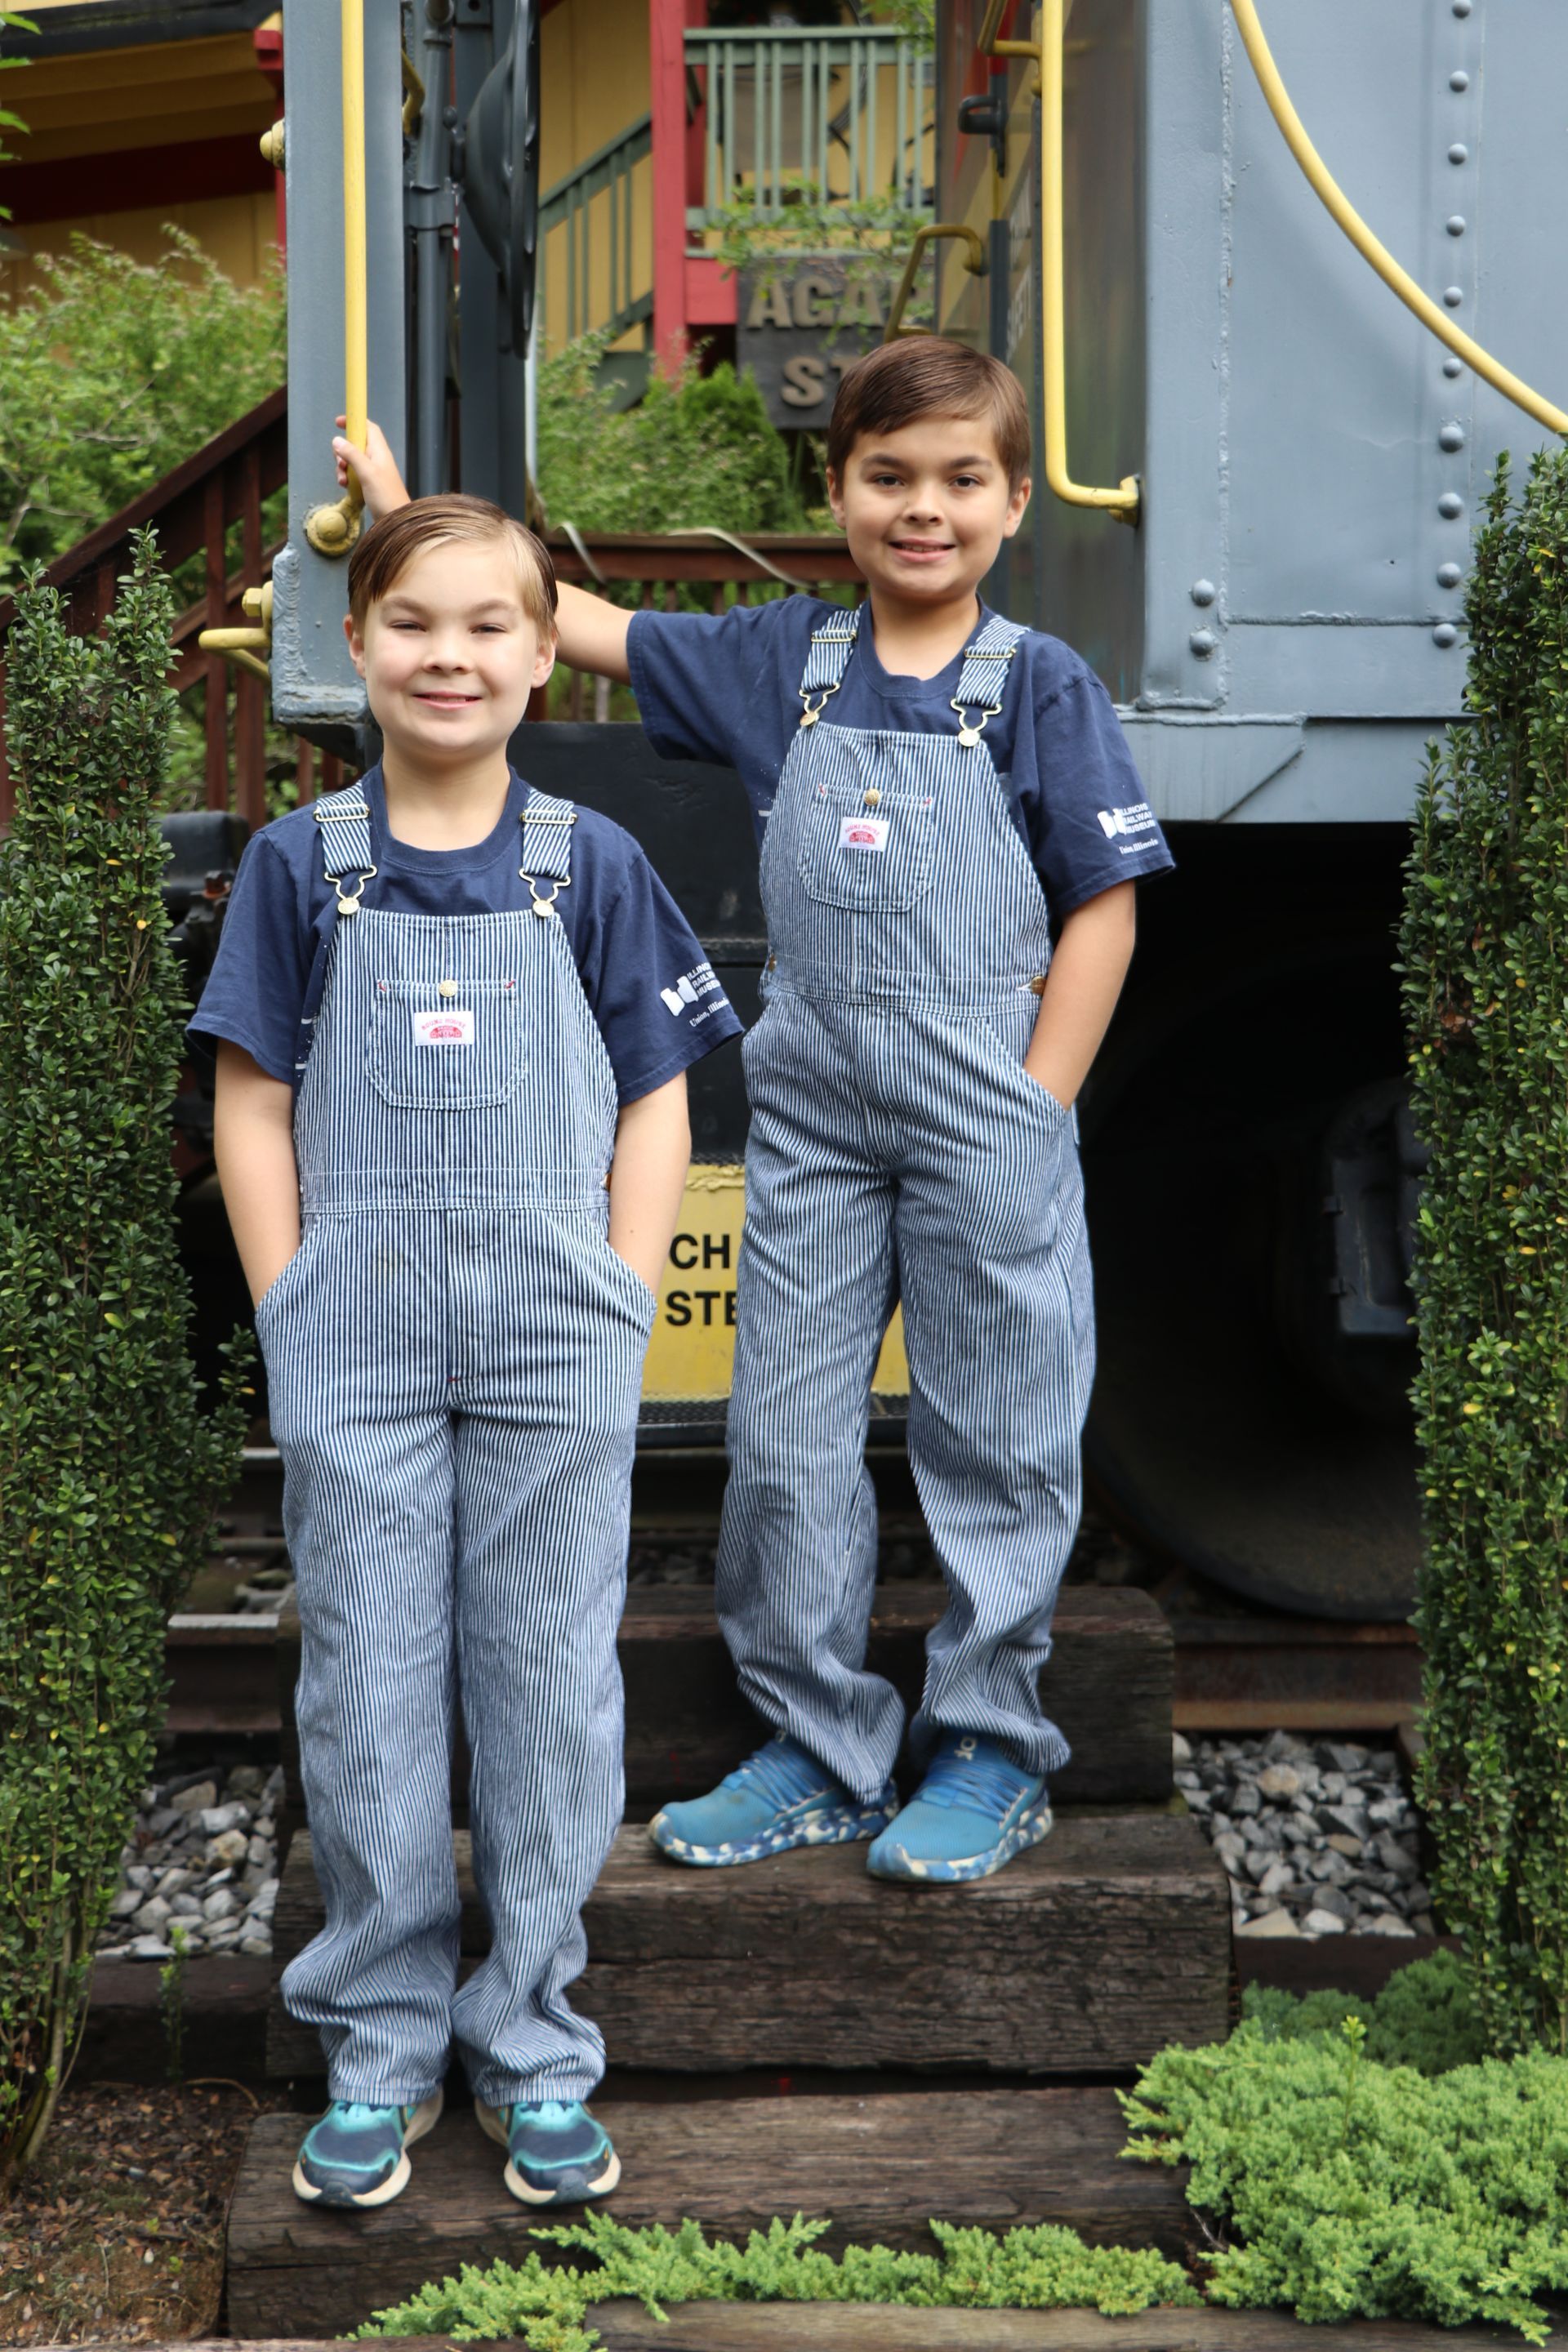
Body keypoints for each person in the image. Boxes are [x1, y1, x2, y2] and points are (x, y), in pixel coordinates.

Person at [333, 332, 1172, 1892]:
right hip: (813, 1112)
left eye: (961, 482)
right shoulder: (775, 659)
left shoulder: (1037, 685)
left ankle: (992, 1745)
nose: (924, 510)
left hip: (989, 1102)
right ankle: (821, 1744)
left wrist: (1038, 1103)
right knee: (785, 1433)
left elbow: (1104, 908)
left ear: (1009, 509)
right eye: (888, 478)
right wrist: (403, 514)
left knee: (997, 1426)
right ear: (838, 489)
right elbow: (553, 619)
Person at [192, 495, 742, 2211]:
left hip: (550, 1326)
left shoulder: (595, 864)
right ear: (356, 648)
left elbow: (659, 1094)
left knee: (547, 1683)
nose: (451, 654)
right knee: (363, 1676)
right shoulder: (304, 865)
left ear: (538, 657)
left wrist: (620, 1287)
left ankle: (532, 2041)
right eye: (414, 623)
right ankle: (380, 2044)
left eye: (491, 625)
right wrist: (288, 1305)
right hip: (348, 1324)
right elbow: (252, 1101)